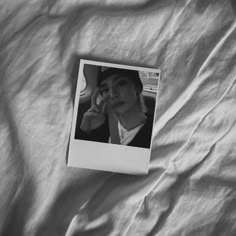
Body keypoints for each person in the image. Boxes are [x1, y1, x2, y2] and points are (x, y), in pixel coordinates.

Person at [76, 68, 154, 148]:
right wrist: (84, 130)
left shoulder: (153, 131)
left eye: (120, 84)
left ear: (137, 87)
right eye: (105, 90)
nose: (112, 94)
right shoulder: (100, 126)